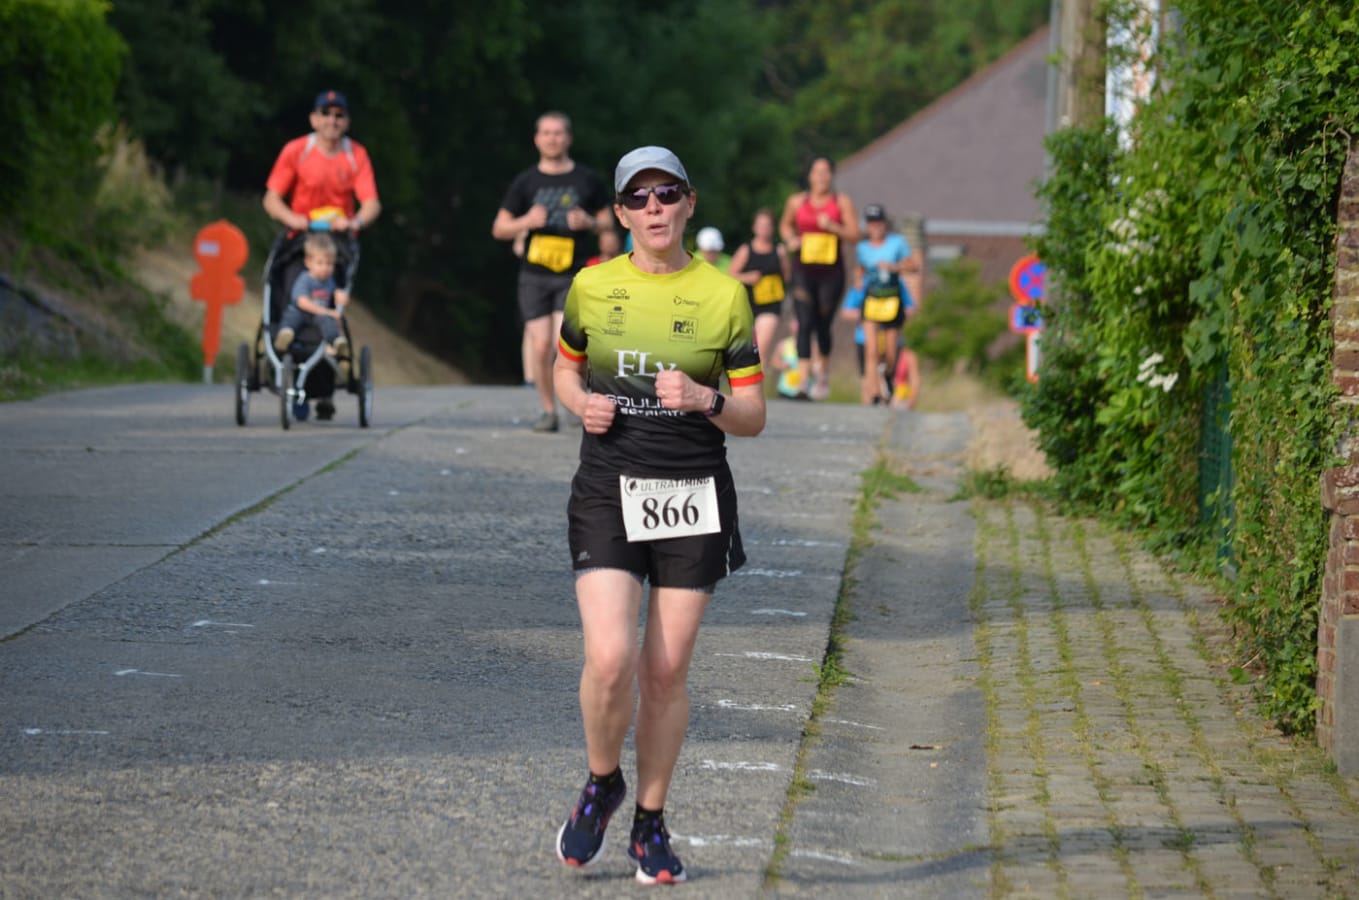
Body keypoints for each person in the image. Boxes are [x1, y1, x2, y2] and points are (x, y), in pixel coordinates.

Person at [552, 145, 766, 885]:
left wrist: (706, 399)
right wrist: (581, 403)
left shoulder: (725, 295)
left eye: (666, 194)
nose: (654, 208)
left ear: (688, 203)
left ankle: (649, 820)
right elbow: (565, 369)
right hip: (608, 486)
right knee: (611, 659)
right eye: (638, 197)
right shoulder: (591, 285)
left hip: (691, 492)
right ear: (620, 212)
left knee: (666, 671)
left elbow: (752, 414)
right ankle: (600, 782)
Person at [492, 111, 613, 433]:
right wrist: (526, 221)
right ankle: (549, 411)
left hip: (573, 273)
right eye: (546, 133)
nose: (552, 139)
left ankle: (574, 401)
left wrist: (589, 223)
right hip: (534, 275)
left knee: (567, 342)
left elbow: (609, 221)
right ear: (537, 139)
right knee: (541, 345)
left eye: (558, 133)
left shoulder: (586, 179)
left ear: (568, 138)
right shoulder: (526, 182)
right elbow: (499, 228)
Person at [779, 157, 859, 400]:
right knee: (804, 322)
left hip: (831, 272)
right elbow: (785, 225)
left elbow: (854, 235)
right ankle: (803, 380)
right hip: (803, 269)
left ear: (832, 175)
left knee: (823, 323)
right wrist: (791, 239)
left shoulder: (841, 202)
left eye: (826, 172)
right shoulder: (796, 201)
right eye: (817, 172)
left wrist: (833, 226)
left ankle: (822, 372)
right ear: (810, 176)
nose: (822, 177)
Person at [263, 89, 381, 241]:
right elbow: (271, 199)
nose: (332, 121)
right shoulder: (296, 150)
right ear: (313, 119)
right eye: (325, 113)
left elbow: (372, 203)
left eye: (339, 115)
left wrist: (354, 223)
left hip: (340, 238)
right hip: (301, 235)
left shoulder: (357, 154)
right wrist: (291, 219)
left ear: (347, 122)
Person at [853, 204, 917, 405]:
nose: (876, 227)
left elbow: (913, 265)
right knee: (871, 349)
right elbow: (860, 268)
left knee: (890, 351)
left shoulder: (897, 243)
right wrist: (858, 279)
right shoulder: (862, 248)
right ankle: (874, 392)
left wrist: (894, 267)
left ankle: (888, 374)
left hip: (892, 300)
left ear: (885, 223)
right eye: (871, 223)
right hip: (872, 299)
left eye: (879, 222)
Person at [728, 208, 791, 382]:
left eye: (767, 225)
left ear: (773, 228)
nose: (764, 229)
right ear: (754, 227)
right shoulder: (746, 250)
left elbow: (787, 276)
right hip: (747, 305)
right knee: (745, 349)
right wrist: (747, 277)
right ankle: (742, 384)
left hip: (770, 305)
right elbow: (730, 274)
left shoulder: (779, 251)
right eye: (760, 225)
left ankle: (757, 387)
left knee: (762, 348)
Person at [274, 232, 349, 356]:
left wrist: (340, 296)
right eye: (320, 263)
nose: (325, 268)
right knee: (292, 316)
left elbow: (336, 295)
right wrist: (326, 311)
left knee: (329, 321)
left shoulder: (330, 281)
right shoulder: (305, 279)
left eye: (329, 264)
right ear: (308, 262)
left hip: (318, 318)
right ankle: (284, 335)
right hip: (301, 312)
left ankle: (335, 342)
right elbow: (301, 302)